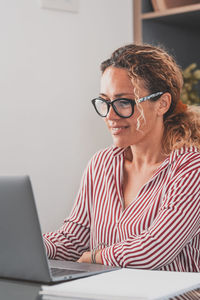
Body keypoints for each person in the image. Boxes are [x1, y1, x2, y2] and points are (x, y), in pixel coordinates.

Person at [43, 44, 200, 272]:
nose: (110, 115)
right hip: (108, 291)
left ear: (162, 104)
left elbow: (155, 249)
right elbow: (73, 239)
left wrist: (96, 257)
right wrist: (28, 246)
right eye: (104, 102)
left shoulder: (191, 167)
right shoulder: (102, 163)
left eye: (124, 102)